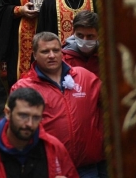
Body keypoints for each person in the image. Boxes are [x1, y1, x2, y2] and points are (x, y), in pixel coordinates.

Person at [12, 32, 105, 176]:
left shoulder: (84, 77)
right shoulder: (24, 88)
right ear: (34, 55)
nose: (51, 55)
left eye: (56, 50)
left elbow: (113, 103)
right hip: (50, 170)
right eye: (45, 51)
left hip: (88, 168)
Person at [0, 87, 80, 178]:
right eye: (23, 116)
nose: (29, 123)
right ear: (8, 113)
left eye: (36, 118)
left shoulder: (54, 148)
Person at [62, 10, 100, 77]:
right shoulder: (63, 59)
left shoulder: (107, 58)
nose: (84, 40)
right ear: (73, 32)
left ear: (98, 35)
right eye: (80, 35)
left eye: (90, 36)